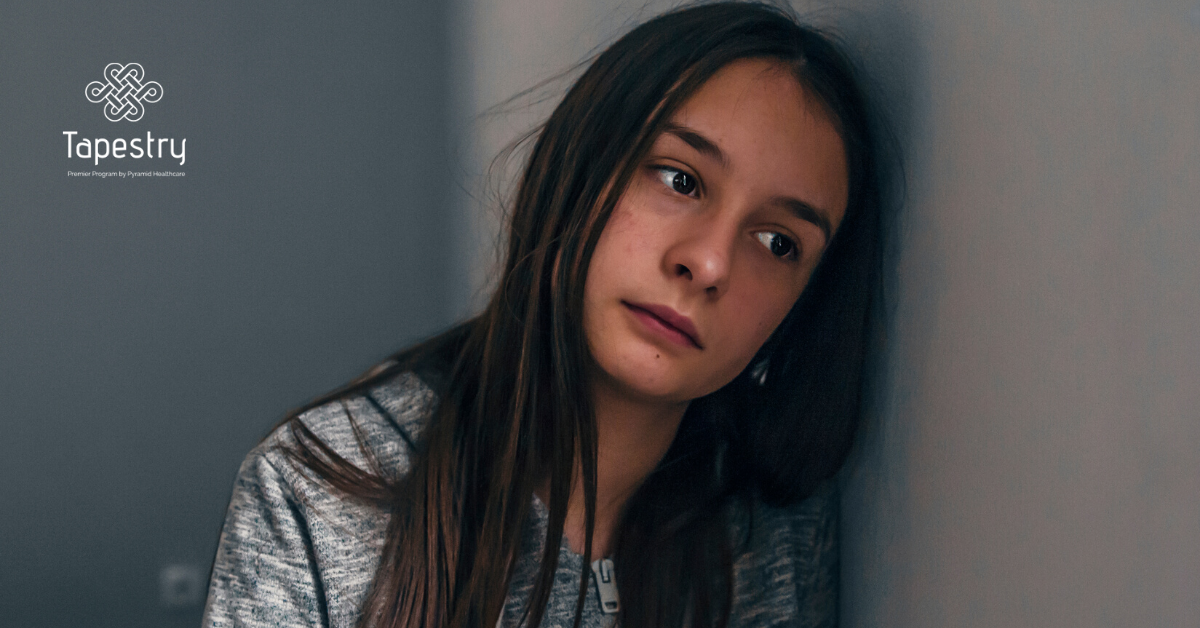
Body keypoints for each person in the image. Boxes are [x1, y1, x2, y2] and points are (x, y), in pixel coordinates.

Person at [203, 2, 883, 627]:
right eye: (680, 179)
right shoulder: (318, 488)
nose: (709, 265)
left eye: (778, 243)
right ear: (581, 170)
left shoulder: (778, 524)